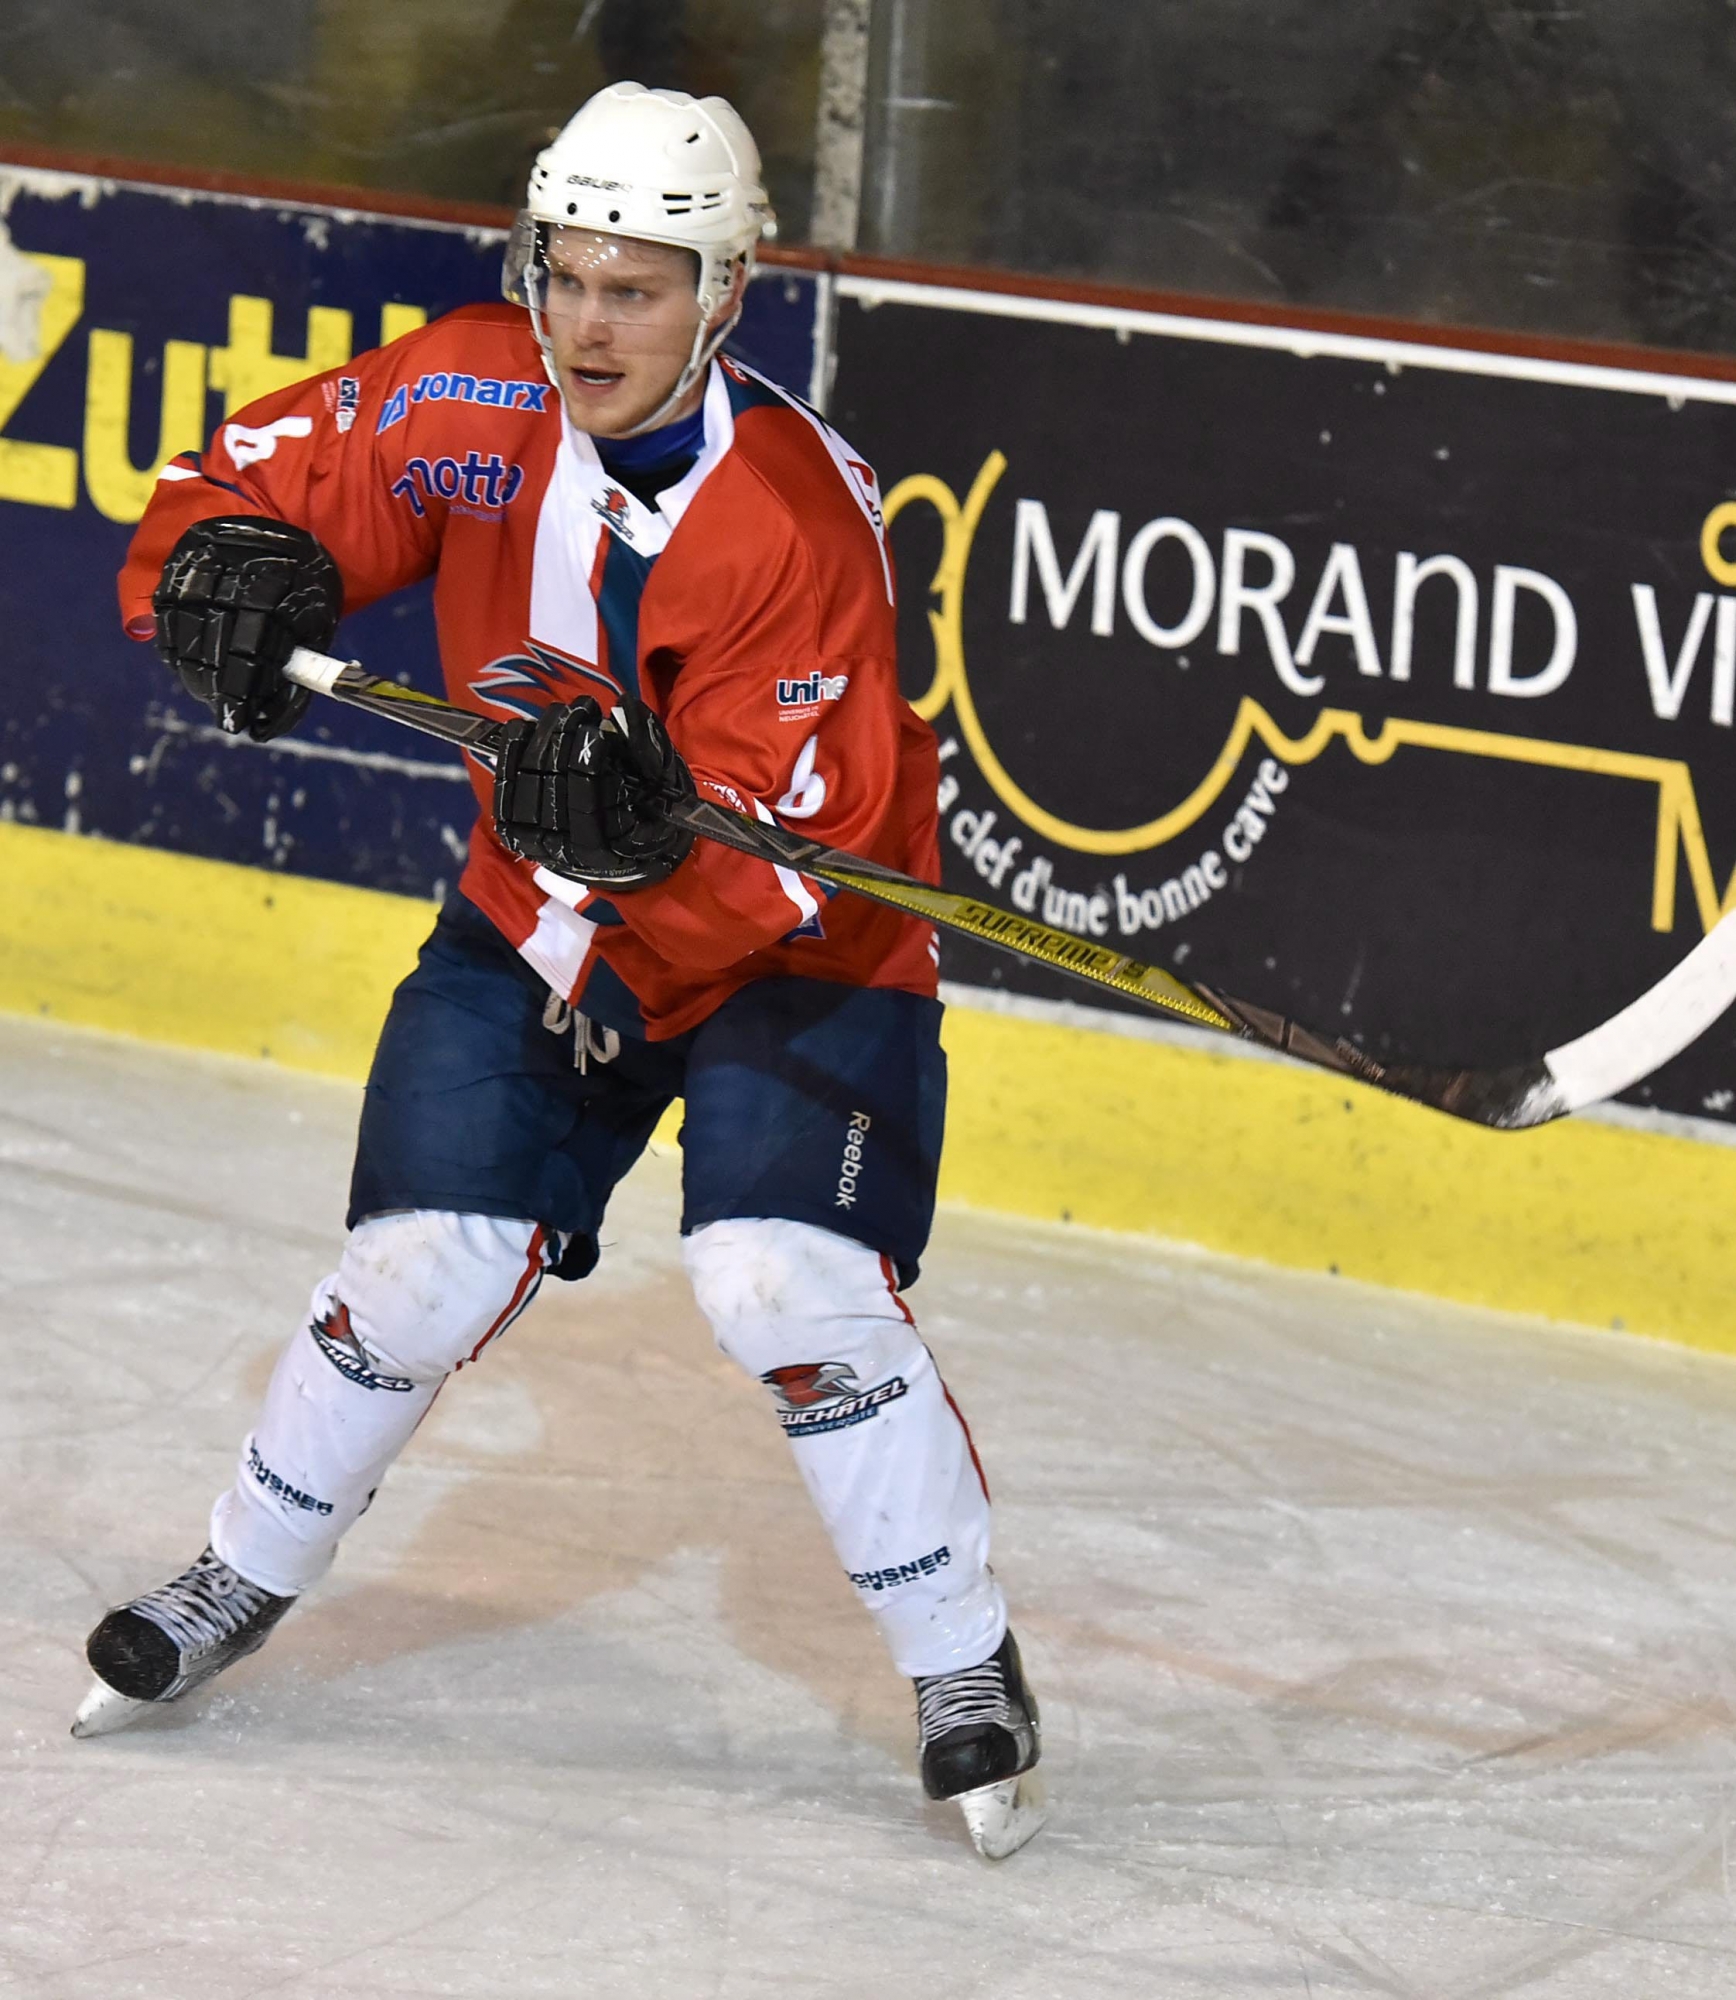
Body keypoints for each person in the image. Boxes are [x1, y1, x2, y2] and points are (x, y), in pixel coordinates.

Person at [76, 81, 1042, 1858]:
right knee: (415, 1269)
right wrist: (224, 571)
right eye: (565, 275)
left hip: (801, 954)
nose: (588, 324)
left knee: (779, 1283)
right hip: (536, 923)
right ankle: (239, 1575)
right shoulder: (468, 394)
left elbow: (782, 863)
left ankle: (962, 1665)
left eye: (639, 287)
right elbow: (237, 484)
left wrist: (647, 835)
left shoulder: (793, 527)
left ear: (724, 295)